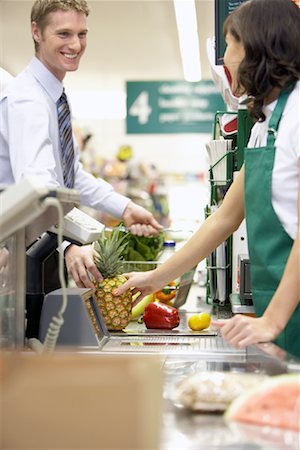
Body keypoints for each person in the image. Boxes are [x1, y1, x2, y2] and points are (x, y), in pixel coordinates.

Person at [114, 0, 300, 358]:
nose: (225, 58)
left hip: (287, 311)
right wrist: (156, 278)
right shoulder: (265, 126)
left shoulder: (297, 116)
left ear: (256, 47)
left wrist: (273, 320)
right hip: (279, 306)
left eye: (230, 44)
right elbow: (224, 218)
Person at [0, 0, 162, 292]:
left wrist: (124, 207)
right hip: (20, 252)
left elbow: (69, 175)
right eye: (64, 34)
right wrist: (67, 242)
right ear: (36, 32)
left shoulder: (54, 95)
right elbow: (39, 188)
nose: (75, 44)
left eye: (82, 34)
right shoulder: (28, 100)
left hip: (41, 243)